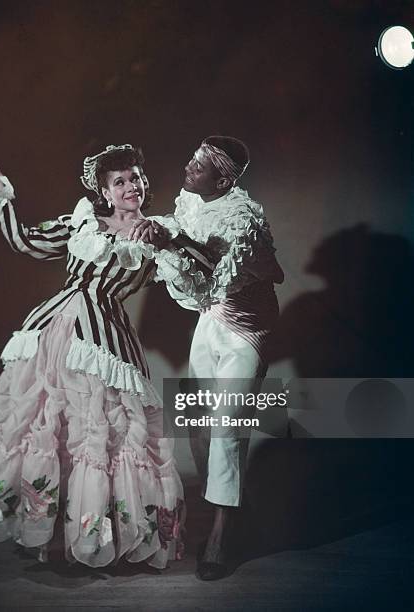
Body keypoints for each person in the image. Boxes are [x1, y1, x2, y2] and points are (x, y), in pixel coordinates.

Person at [0, 144, 189, 570]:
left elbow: (194, 277)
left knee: (102, 431)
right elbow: (26, 242)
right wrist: (3, 196)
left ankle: (97, 534)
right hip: (55, 332)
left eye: (136, 178)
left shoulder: (157, 233)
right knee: (50, 425)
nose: (131, 187)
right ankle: (45, 533)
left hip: (105, 340)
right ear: (104, 189)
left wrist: (170, 241)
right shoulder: (83, 221)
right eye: (119, 181)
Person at [131, 136, 284, 580]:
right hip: (211, 318)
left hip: (246, 327)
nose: (187, 168)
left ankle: (220, 535)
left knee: (227, 426)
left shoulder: (243, 216)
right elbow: (191, 265)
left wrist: (173, 239)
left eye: (198, 166)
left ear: (222, 178)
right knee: (198, 425)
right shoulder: (191, 201)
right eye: (191, 160)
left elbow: (218, 270)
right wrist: (164, 236)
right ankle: (232, 512)